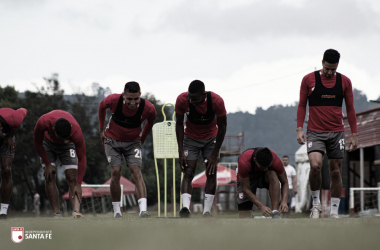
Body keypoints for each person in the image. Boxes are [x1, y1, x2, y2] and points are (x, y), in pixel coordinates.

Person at [297, 49, 358, 219]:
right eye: (327, 68)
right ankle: (315, 206)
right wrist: (299, 128)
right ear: (322, 62)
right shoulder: (308, 80)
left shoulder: (344, 82)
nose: (330, 72)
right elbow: (302, 105)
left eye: (333, 69)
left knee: (336, 172)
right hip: (315, 132)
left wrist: (354, 134)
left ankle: (333, 212)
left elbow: (351, 109)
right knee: (315, 166)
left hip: (337, 133)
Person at [99, 81, 156, 218]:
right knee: (116, 172)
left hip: (133, 143)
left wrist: (142, 139)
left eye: (136, 99)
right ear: (124, 95)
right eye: (129, 99)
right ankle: (117, 211)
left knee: (136, 172)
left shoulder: (148, 108)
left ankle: (143, 210)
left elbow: (151, 120)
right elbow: (102, 106)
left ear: (140, 95)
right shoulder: (113, 100)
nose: (132, 102)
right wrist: (101, 129)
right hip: (112, 141)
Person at [175, 80, 227, 218]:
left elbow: (222, 128)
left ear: (204, 95)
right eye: (190, 98)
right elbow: (179, 125)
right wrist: (180, 151)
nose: (192, 102)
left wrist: (215, 153)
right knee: (188, 171)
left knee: (211, 172)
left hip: (211, 140)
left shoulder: (216, 101)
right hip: (190, 139)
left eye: (196, 99)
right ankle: (185, 209)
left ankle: (207, 211)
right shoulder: (181, 100)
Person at [34, 110, 86, 218]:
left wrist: (79, 184)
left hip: (67, 146)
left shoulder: (76, 132)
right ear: (53, 130)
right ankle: (57, 214)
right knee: (50, 176)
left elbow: (82, 158)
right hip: (47, 144)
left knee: (72, 177)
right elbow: (37, 143)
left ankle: (76, 212)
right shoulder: (43, 122)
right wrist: (47, 164)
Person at [236, 147, 289, 218]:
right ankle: (251, 215)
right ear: (255, 160)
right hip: (247, 180)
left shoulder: (275, 160)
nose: (265, 169)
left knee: (273, 174)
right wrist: (261, 206)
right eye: (262, 167)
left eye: (267, 166)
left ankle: (275, 212)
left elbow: (285, 182)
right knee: (244, 218)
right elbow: (245, 189)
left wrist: (284, 201)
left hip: (263, 178)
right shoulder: (244, 161)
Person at [0, 107, 28, 219]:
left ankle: (3, 210)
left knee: (6, 170)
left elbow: (24, 110)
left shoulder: (14, 118)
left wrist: (11, 135)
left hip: (7, 138)